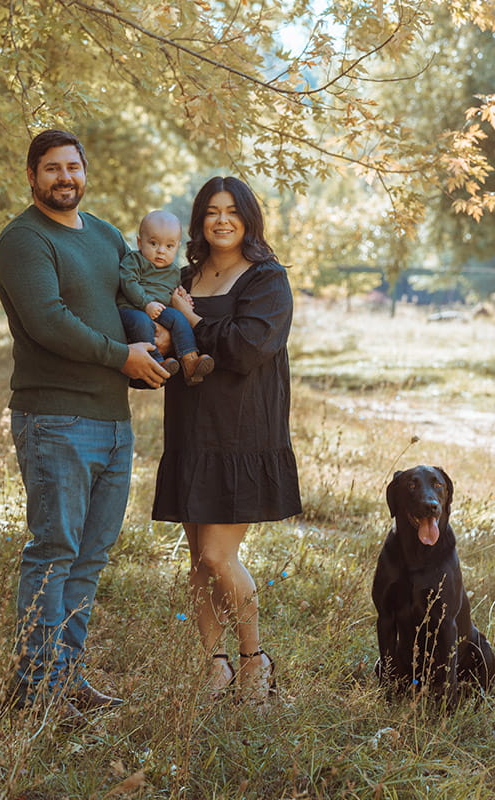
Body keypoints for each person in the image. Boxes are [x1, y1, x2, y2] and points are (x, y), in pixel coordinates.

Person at [0, 129, 169, 723]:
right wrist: (121, 357)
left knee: (89, 559)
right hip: (55, 419)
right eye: (51, 168)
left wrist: (157, 337)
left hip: (113, 422)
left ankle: (66, 679)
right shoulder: (24, 239)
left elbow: (131, 295)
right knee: (53, 552)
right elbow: (48, 321)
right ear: (32, 176)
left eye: (73, 166)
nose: (64, 177)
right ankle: (36, 690)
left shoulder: (103, 234)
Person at [152, 176, 302, 704]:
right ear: (200, 220)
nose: (221, 220)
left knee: (218, 555)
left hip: (241, 433)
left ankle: (254, 659)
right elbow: (167, 339)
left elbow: (246, 348)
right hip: (191, 428)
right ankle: (215, 665)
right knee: (197, 559)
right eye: (211, 211)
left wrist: (192, 321)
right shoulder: (188, 274)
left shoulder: (266, 278)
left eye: (231, 211)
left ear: (248, 218)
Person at [118, 209, 214, 386]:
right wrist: (146, 304)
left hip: (158, 310)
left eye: (169, 246)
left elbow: (171, 293)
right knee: (142, 321)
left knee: (178, 317)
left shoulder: (173, 271)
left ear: (177, 247)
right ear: (140, 242)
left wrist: (182, 299)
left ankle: (190, 360)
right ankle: (154, 361)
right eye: (154, 243)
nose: (161, 251)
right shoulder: (135, 260)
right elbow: (128, 282)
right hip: (131, 309)